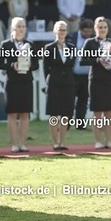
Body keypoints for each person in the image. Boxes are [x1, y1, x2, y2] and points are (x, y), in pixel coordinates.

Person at [0, 17, 39, 153]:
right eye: (19, 26)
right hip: (12, 82)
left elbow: (36, 64)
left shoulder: (30, 44)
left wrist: (29, 65)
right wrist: (12, 65)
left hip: (26, 81)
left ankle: (22, 144)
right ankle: (14, 144)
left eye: (23, 26)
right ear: (13, 28)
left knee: (25, 114)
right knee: (12, 114)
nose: (21, 29)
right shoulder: (6, 44)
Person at [81, 16, 111, 149]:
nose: (103, 29)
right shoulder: (90, 43)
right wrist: (98, 60)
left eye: (105, 27)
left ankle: (108, 141)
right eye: (100, 27)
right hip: (96, 79)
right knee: (97, 112)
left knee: (109, 112)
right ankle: (98, 141)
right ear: (95, 28)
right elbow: (82, 61)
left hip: (110, 79)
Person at [44, 21, 76, 151]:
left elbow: (72, 65)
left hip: (68, 84)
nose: (62, 32)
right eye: (60, 29)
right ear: (55, 31)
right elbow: (45, 68)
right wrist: (48, 82)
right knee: (53, 114)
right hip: (54, 84)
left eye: (64, 30)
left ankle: (62, 142)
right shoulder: (49, 48)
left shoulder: (72, 47)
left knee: (65, 114)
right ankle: (55, 142)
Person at [67, 18, 94, 129]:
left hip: (87, 74)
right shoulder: (71, 37)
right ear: (80, 29)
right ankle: (67, 123)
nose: (87, 34)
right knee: (70, 99)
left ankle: (80, 124)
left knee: (83, 100)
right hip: (74, 73)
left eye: (89, 31)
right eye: (85, 31)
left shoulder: (93, 39)